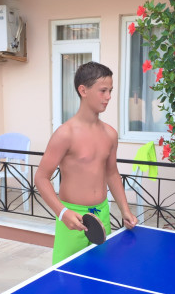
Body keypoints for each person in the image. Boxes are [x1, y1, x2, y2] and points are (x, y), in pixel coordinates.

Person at [35, 61, 137, 264]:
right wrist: (62, 213)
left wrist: (124, 209)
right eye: (103, 91)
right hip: (72, 217)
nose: (108, 97)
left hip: (102, 214)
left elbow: (112, 173)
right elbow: (41, 178)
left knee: (100, 272)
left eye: (110, 91)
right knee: (68, 276)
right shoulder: (65, 134)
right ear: (83, 90)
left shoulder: (110, 134)